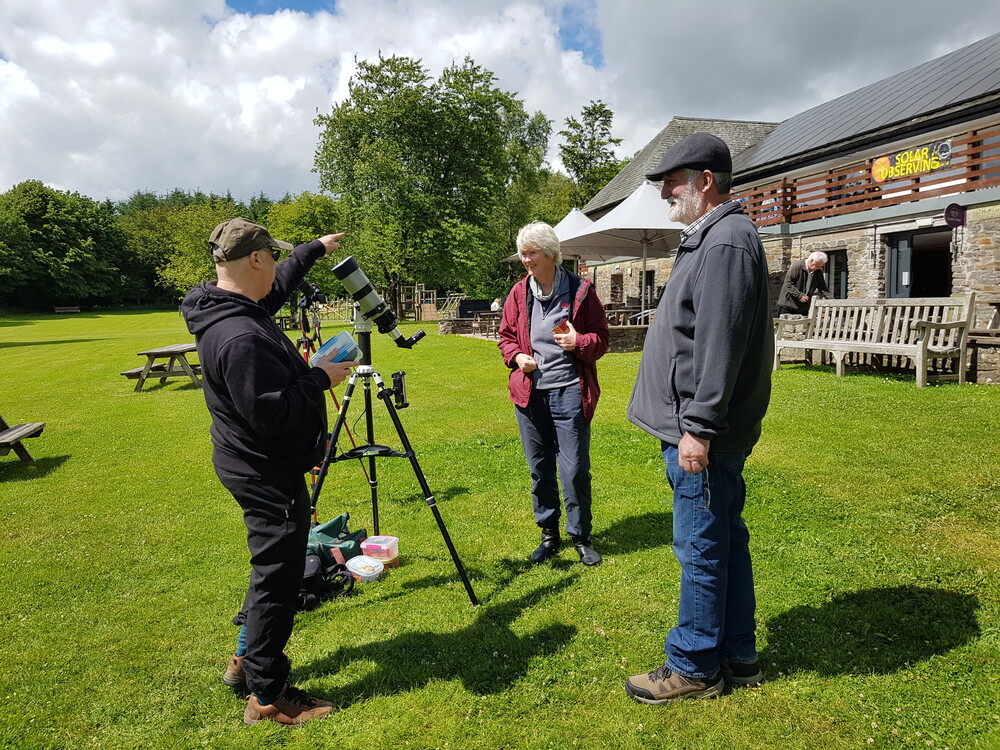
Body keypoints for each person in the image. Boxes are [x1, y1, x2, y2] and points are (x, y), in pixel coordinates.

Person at [181, 218, 358, 726]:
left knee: (271, 569)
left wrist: (312, 249)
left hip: (252, 462)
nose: (277, 266)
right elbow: (270, 413)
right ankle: (267, 695)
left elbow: (276, 288)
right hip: (265, 472)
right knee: (278, 580)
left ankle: (244, 659)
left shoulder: (228, 307)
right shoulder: (240, 335)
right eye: (273, 256)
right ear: (255, 259)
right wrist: (318, 377)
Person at [623, 133, 773, 704]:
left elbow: (719, 344)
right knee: (723, 540)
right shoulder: (713, 236)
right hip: (703, 429)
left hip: (701, 434)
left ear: (706, 181)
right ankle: (737, 654)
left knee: (701, 547)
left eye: (672, 181)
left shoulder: (726, 241)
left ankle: (693, 666)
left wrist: (698, 429)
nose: (665, 192)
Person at [498, 222, 609, 567]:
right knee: (540, 468)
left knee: (574, 470)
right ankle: (549, 535)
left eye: (531, 253)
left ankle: (581, 537)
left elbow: (601, 339)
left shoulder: (580, 290)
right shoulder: (519, 293)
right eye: (523, 253)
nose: (526, 260)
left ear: (549, 253)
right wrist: (518, 357)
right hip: (530, 396)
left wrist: (579, 342)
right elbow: (505, 337)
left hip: (570, 393)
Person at [776, 251, 830, 316]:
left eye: (821, 266)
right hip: (788, 305)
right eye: (818, 265)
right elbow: (788, 283)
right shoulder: (797, 266)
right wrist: (799, 295)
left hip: (803, 308)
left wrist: (832, 301)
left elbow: (823, 289)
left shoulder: (818, 272)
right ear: (812, 261)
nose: (819, 268)